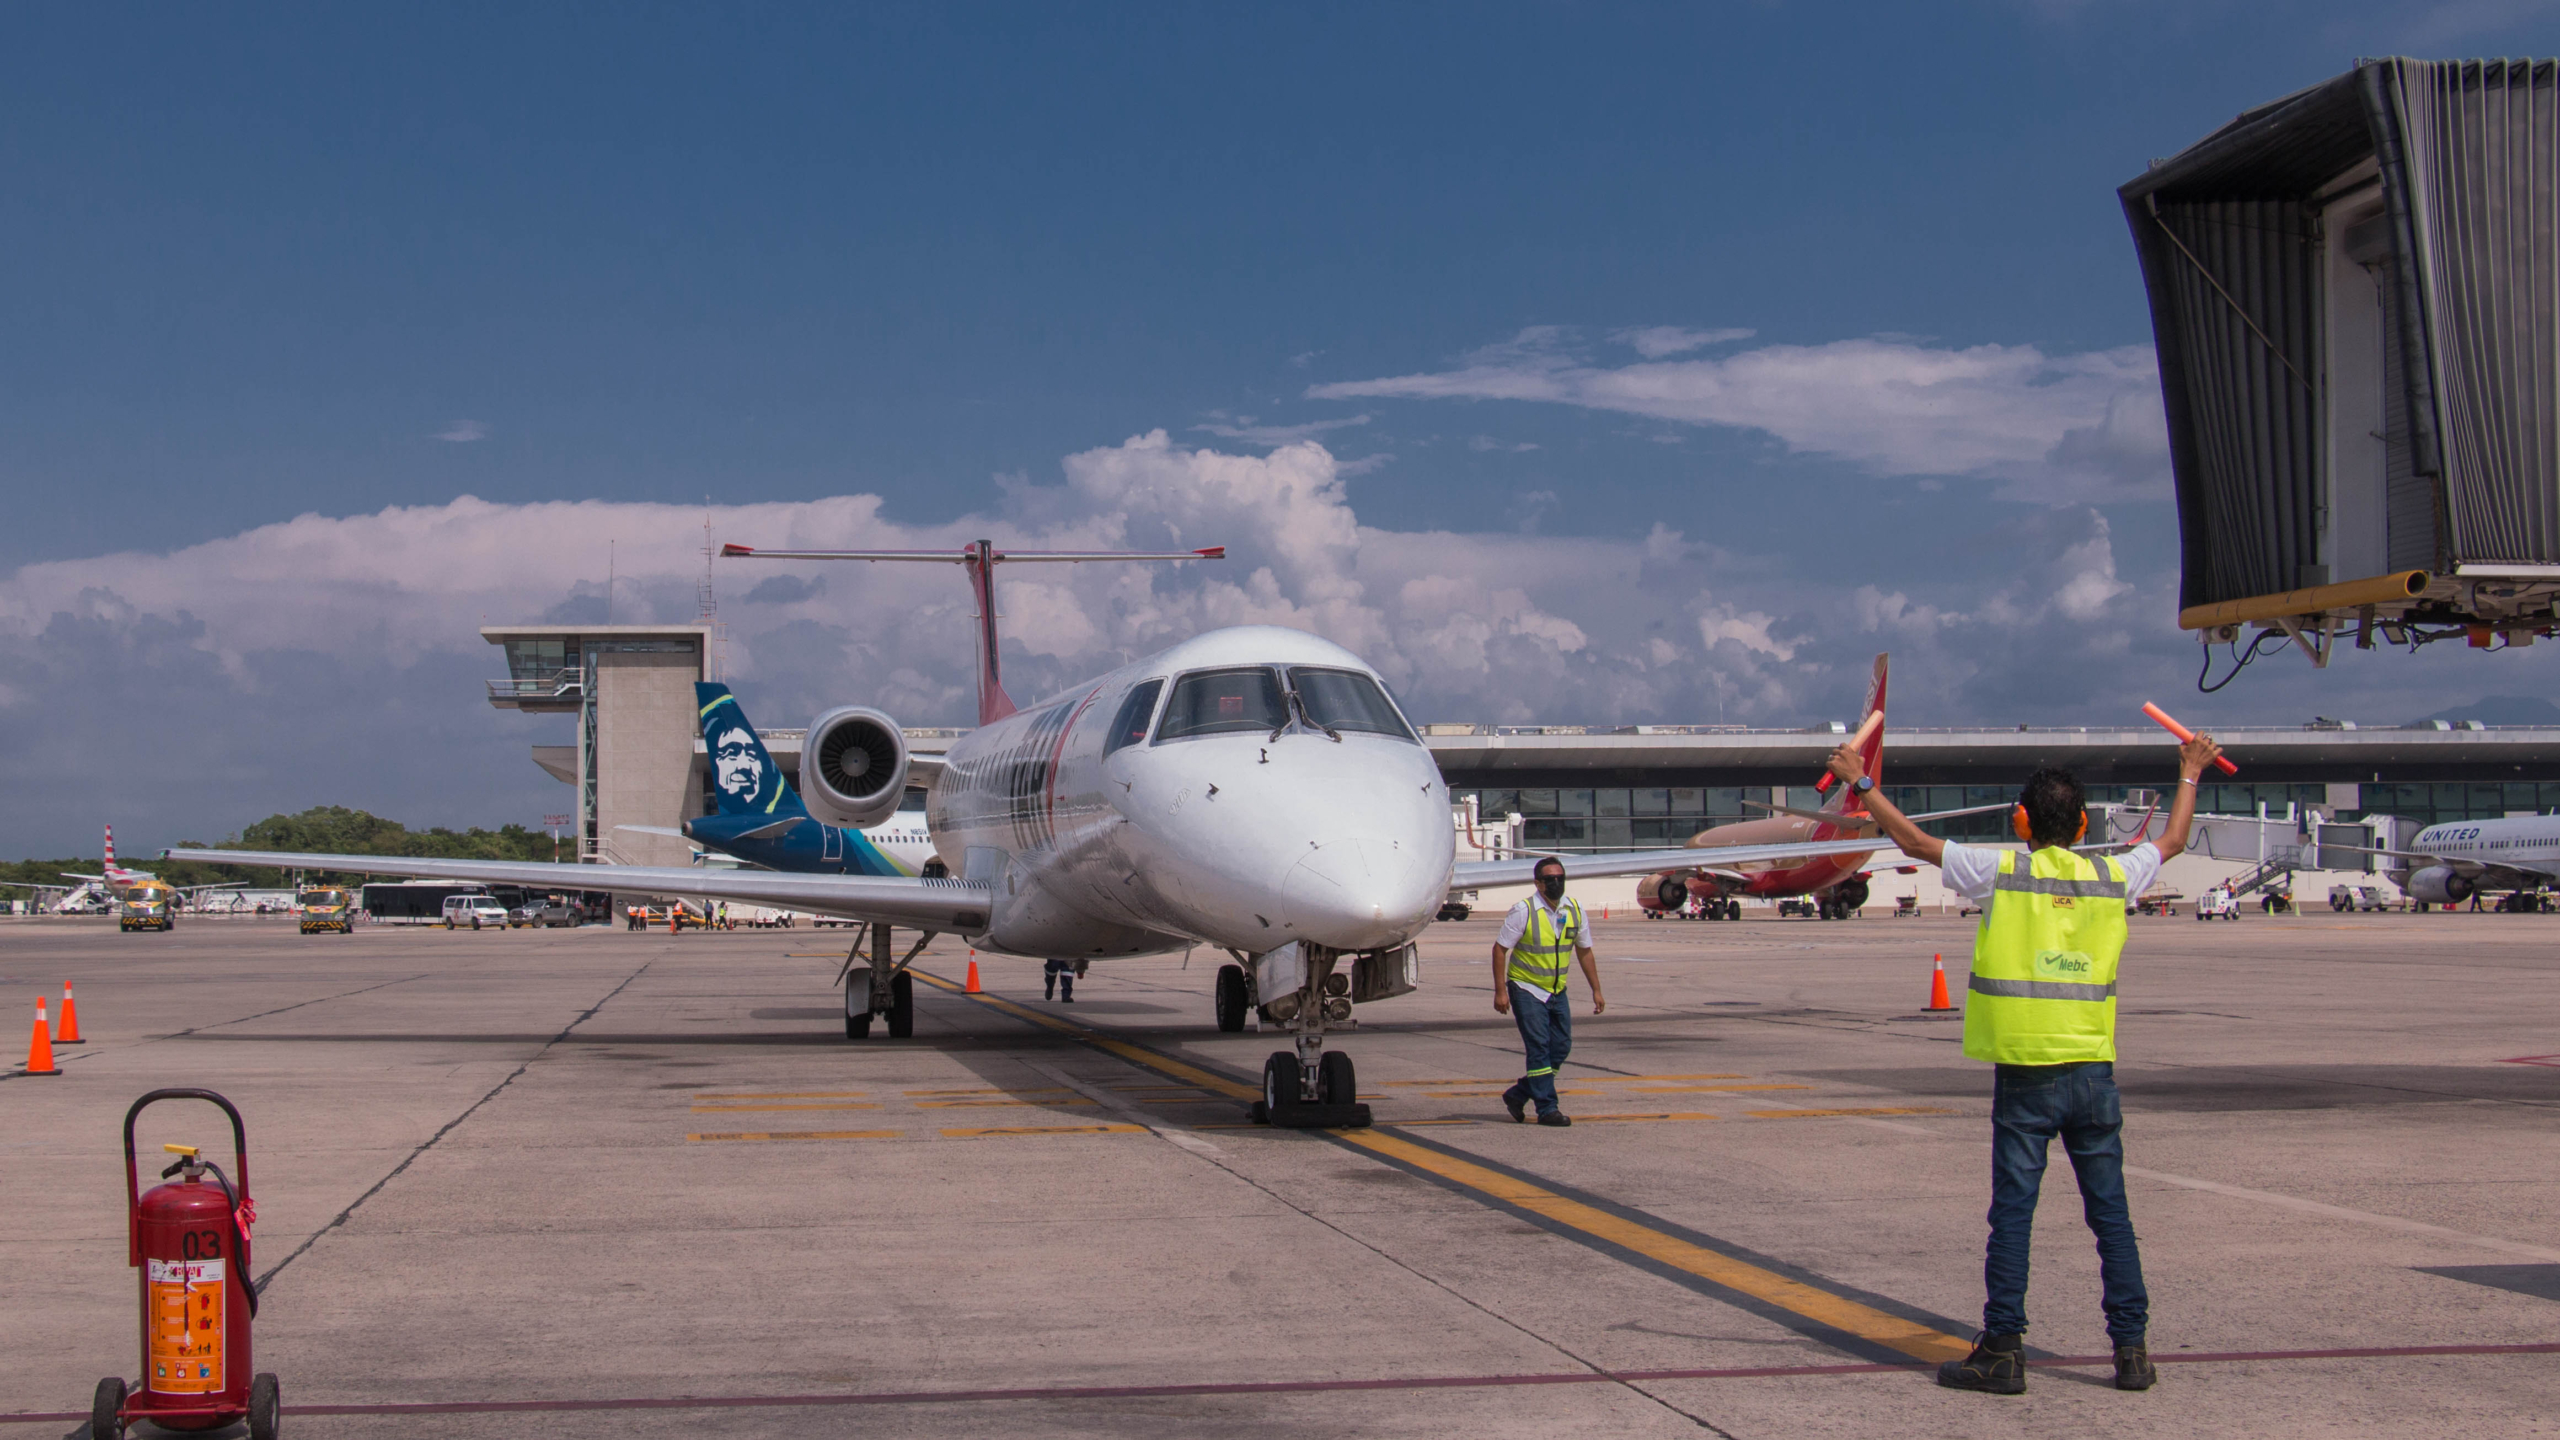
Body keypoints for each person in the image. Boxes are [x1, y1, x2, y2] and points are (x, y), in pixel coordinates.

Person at [1829, 730, 2223, 1396]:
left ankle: (2004, 1350)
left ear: (2021, 821)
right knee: (2112, 1218)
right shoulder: (2111, 874)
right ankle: (2132, 1352)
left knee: (2014, 1214)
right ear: (2080, 825)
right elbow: (2175, 841)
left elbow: (1916, 844)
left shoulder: (2002, 872)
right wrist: (2189, 770)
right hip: (2093, 1072)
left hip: (2025, 1075)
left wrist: (1862, 783)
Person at [1490, 856, 1607, 1127]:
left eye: (1560, 879)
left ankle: (1519, 1094)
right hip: (1526, 988)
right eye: (1550, 879)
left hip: (1557, 990)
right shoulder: (1524, 910)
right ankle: (1547, 1109)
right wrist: (1500, 991)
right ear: (1538, 883)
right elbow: (1499, 949)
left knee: (1562, 1046)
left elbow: (1584, 951)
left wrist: (1596, 990)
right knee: (1539, 1047)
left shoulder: (1574, 909)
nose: (1556, 884)